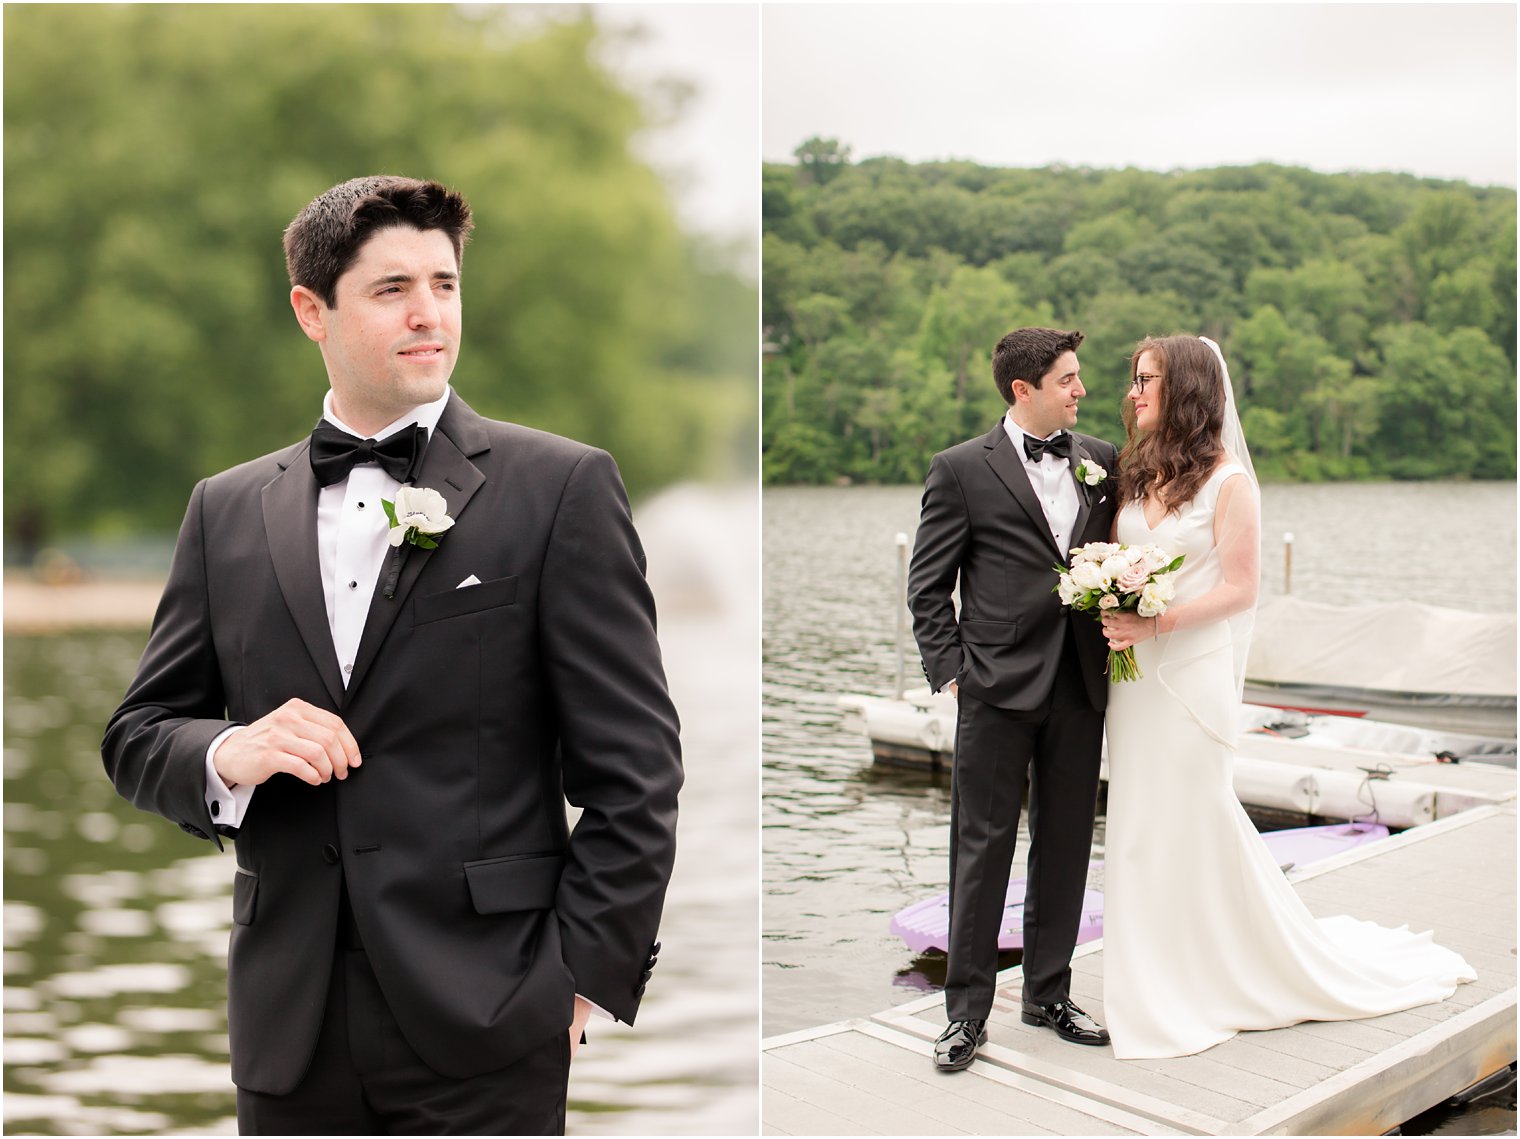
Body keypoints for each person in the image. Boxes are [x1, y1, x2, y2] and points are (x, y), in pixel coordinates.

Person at [102, 176, 683, 1133]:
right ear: (310, 310)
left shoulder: (561, 487)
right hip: (288, 1027)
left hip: (492, 1018)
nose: (429, 314)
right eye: (391, 289)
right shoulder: (225, 509)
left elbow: (637, 771)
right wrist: (226, 752)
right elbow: (136, 735)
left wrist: (581, 979)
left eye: (445, 284)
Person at [1098, 334, 1474, 1060]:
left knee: (1192, 814)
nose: (1134, 392)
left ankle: (1211, 971)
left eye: (1148, 380)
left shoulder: (1228, 481)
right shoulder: (1135, 471)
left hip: (1190, 674)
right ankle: (1153, 964)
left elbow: (1241, 589)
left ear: (1189, 391)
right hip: (1136, 680)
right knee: (1142, 821)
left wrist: (1156, 619)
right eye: (1134, 380)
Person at [907, 327, 1120, 1072]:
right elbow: (927, 586)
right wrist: (955, 672)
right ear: (1022, 389)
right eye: (1068, 379)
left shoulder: (1102, 460)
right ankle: (965, 1013)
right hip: (994, 689)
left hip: (1080, 682)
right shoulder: (960, 469)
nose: (1081, 390)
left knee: (1064, 843)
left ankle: (1048, 992)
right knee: (982, 847)